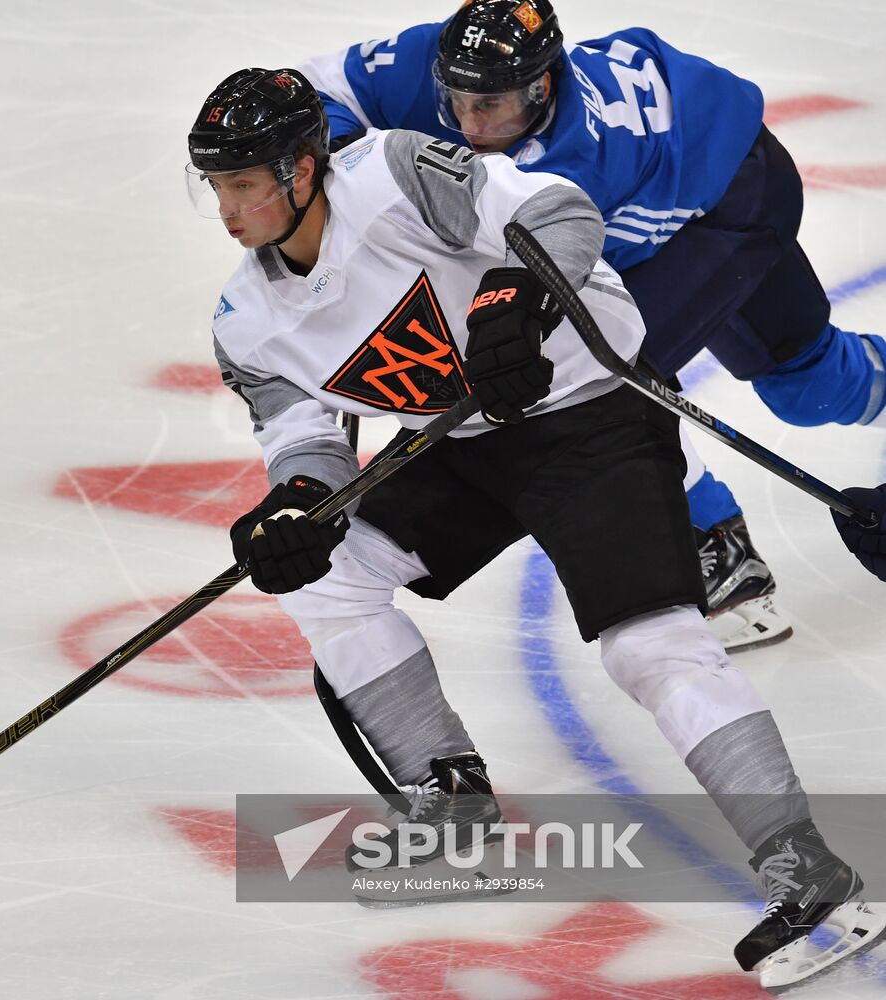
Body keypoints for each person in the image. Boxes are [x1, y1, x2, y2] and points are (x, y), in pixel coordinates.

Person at [187, 65, 884, 991]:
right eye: (217, 188)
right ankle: (451, 800)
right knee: (329, 574)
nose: (228, 210)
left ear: (303, 169)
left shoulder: (394, 176)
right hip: (469, 444)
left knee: (651, 649)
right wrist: (291, 510)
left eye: (242, 183)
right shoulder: (245, 323)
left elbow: (559, 208)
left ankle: (810, 875)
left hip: (590, 413)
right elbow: (303, 439)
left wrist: (518, 294)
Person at [298, 0, 886, 654]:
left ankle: (714, 544)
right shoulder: (429, 60)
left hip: (729, 200)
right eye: (455, 100)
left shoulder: (570, 164)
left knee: (601, 383)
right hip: (658, 178)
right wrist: (341, 159)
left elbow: (498, 291)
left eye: (491, 107)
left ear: (543, 84)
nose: (469, 124)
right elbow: (311, 89)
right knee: (806, 387)